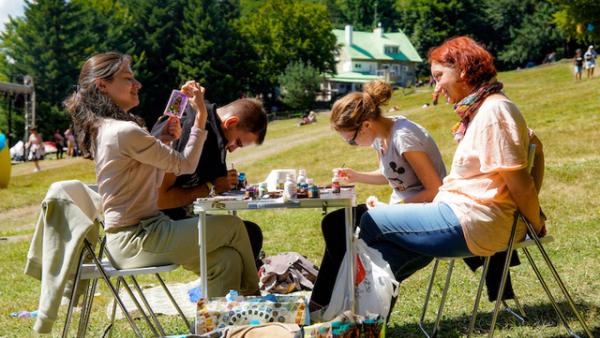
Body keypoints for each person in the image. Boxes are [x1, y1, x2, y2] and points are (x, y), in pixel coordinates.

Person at [342, 37, 545, 315]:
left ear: (462, 69)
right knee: (386, 253)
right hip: (463, 216)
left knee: (368, 222)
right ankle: (369, 317)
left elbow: (520, 183)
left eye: (439, 76)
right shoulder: (483, 111)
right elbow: (536, 146)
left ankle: (362, 313)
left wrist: (534, 221)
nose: (436, 87)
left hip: (473, 220)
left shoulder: (495, 110)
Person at [63, 52, 259, 297]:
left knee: (226, 260)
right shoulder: (123, 131)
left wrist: (161, 139)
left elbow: (136, 168)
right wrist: (201, 117)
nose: (138, 85)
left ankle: (220, 328)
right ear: (102, 85)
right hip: (136, 239)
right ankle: (256, 301)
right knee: (233, 226)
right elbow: (186, 165)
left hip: (146, 232)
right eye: (128, 79)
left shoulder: (107, 128)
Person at [309, 80, 446, 312]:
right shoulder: (379, 138)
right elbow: (390, 175)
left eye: (350, 140)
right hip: (400, 211)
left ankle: (336, 304)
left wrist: (390, 209)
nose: (351, 144)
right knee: (334, 224)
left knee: (349, 229)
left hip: (424, 216)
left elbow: (434, 189)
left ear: (365, 125)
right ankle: (325, 301)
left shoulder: (404, 137)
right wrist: (355, 175)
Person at [150, 95, 268, 268]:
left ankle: (244, 291)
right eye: (238, 143)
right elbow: (160, 200)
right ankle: (249, 291)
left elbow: (208, 182)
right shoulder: (189, 129)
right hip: (155, 225)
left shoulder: (217, 133)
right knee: (246, 233)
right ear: (230, 122)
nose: (232, 149)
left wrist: (226, 183)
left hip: (178, 218)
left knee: (246, 238)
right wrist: (211, 186)